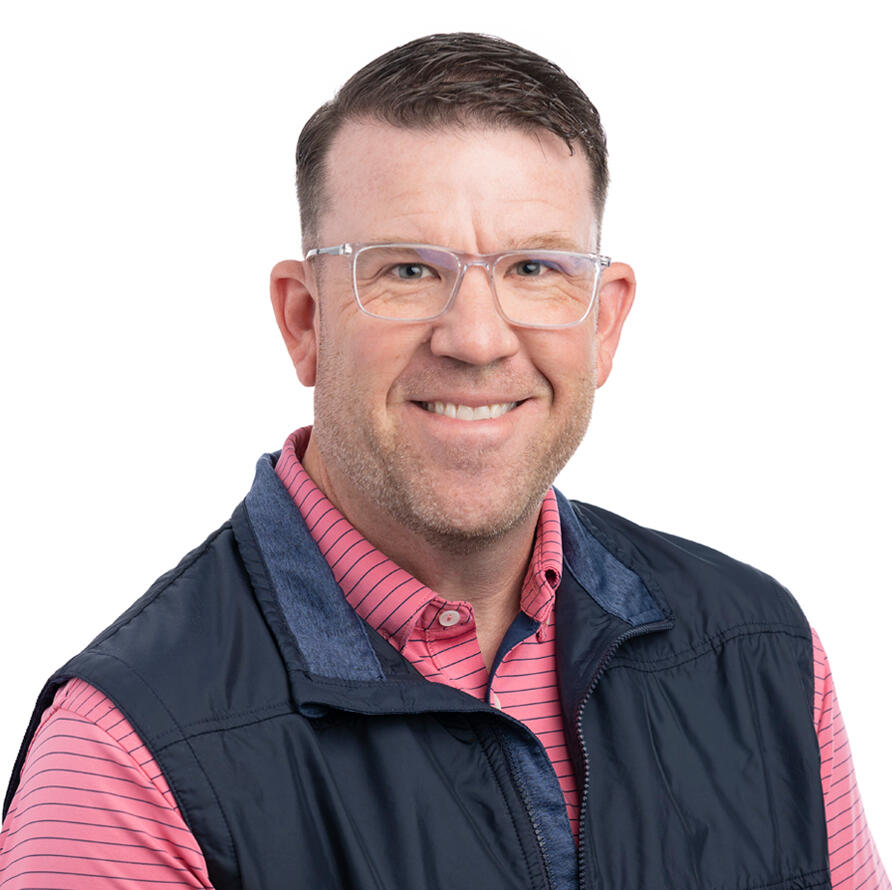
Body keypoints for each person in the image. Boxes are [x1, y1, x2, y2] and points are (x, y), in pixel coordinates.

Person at [0, 31, 887, 890]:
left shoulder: (762, 653)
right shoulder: (125, 760)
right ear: (305, 321)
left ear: (604, 321)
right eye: (408, 271)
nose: (476, 339)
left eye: (535, 268)